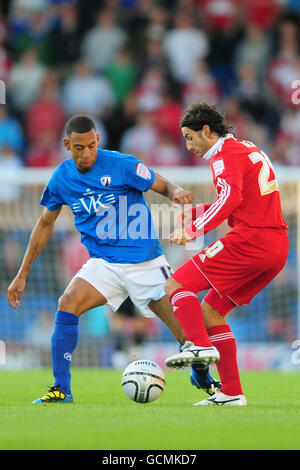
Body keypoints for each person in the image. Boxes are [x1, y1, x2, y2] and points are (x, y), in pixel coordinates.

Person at [7, 114, 195, 404]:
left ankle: (206, 382)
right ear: (67, 145)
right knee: (67, 303)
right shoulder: (61, 177)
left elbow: (162, 184)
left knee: (185, 333)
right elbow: (45, 224)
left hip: (145, 262)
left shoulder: (122, 164)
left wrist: (177, 192)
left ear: (98, 141)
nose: (87, 153)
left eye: (92, 146)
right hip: (104, 264)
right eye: (80, 148)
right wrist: (22, 274)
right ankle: (61, 389)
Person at [164, 102, 289, 406]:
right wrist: (198, 212)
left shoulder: (223, 155)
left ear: (207, 131)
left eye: (190, 137)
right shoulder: (246, 148)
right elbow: (244, 201)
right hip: (276, 247)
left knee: (176, 285)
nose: (188, 145)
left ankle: (198, 348)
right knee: (211, 313)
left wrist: (195, 230)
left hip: (250, 241)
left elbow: (231, 198)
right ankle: (232, 393)